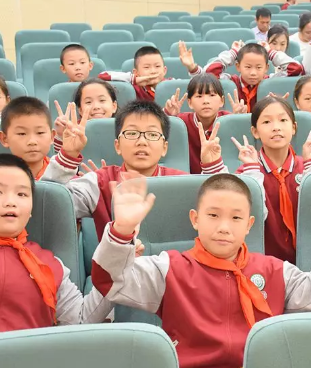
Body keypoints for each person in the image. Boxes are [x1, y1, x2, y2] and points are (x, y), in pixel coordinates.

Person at [91, 173, 311, 368]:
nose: (224, 227)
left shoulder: (275, 270)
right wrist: (121, 231)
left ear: (249, 225)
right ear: (195, 219)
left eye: (236, 218)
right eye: (213, 215)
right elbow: (111, 281)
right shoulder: (170, 268)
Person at [0, 152, 112, 342]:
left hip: (30, 360)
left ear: (31, 208)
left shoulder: (49, 265)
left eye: (22, 194)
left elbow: (80, 321)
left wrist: (119, 247)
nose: (10, 202)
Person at [41, 100, 225, 241]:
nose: (141, 141)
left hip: (174, 274)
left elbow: (223, 209)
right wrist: (68, 155)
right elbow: (47, 207)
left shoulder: (180, 183)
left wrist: (212, 166)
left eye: (152, 134)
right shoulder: (100, 182)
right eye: (131, 133)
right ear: (117, 145)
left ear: (164, 147)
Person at [230, 97, 311, 264]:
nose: (276, 127)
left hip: (308, 260)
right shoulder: (247, 172)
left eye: (283, 120)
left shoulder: (307, 166)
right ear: (255, 132)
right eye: (267, 122)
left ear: (294, 128)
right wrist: (252, 170)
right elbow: (250, 220)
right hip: (262, 262)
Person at [188, 41, 303, 112]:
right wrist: (233, 53)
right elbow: (209, 73)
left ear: (266, 68)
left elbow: (295, 68)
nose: (253, 73)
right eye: (248, 67)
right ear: (238, 66)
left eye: (259, 67)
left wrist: (270, 52)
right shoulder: (231, 82)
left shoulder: (270, 82)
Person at [163, 73, 240, 174]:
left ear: (222, 101)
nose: (206, 101)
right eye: (199, 96)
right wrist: (169, 116)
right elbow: (156, 128)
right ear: (190, 103)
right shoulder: (180, 122)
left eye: (212, 95)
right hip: (189, 179)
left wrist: (239, 120)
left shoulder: (229, 121)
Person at [0, 97, 56, 180]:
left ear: (52, 136)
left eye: (40, 132)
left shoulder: (60, 172)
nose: (32, 141)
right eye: (22, 133)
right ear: (4, 139)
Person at [98, 46, 167, 102]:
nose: (153, 71)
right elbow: (102, 75)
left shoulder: (170, 85)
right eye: (147, 67)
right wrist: (134, 79)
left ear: (164, 70)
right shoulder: (133, 87)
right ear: (136, 72)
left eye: (157, 66)